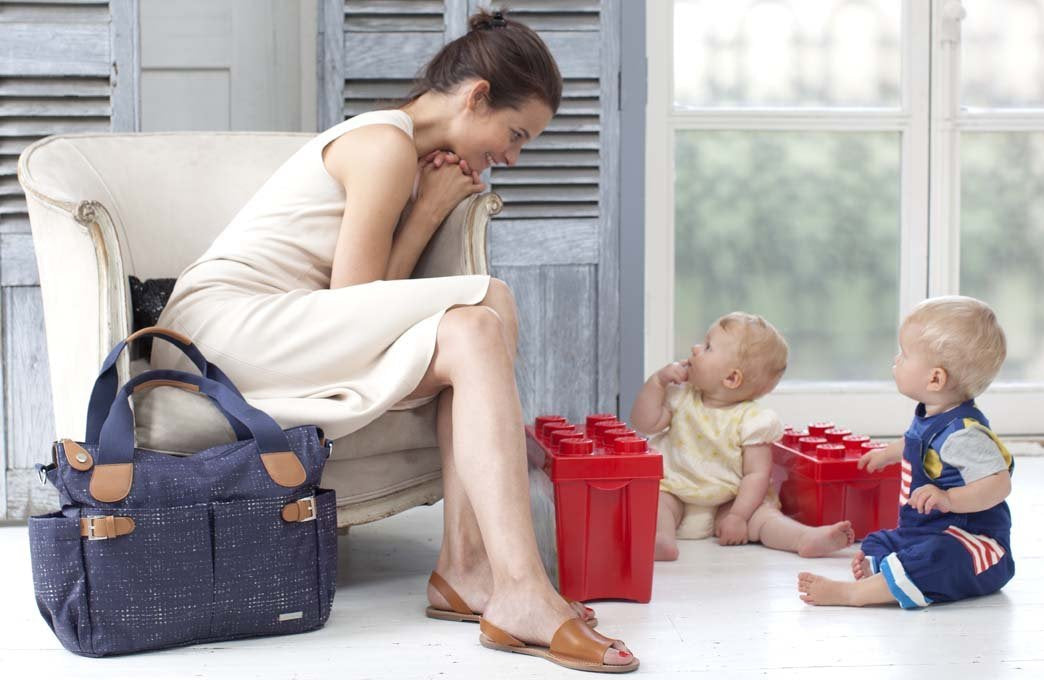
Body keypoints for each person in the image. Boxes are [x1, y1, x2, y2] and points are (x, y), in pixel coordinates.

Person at [152, 8, 637, 673]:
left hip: (291, 326)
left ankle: (468, 571)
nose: (512, 157)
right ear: (475, 97)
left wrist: (426, 201)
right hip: (225, 328)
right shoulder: (383, 144)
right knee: (488, 299)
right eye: (514, 133)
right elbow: (357, 301)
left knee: (470, 334)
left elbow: (361, 308)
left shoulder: (401, 153)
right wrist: (431, 209)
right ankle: (519, 587)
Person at [798, 296, 1014, 609]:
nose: (897, 360)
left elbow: (999, 483)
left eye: (905, 354)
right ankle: (889, 575)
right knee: (879, 541)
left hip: (973, 542)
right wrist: (888, 453)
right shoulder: (931, 412)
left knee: (938, 557)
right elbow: (917, 442)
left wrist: (950, 499)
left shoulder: (964, 435)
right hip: (926, 529)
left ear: (935, 378)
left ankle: (854, 595)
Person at [630, 312, 855, 561]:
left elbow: (755, 475)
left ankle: (803, 538)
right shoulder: (681, 396)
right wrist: (657, 382)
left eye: (707, 347)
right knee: (658, 504)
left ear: (731, 378)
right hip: (676, 488)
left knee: (763, 517)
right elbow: (645, 423)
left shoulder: (752, 421)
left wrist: (738, 516)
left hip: (730, 498)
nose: (695, 349)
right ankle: (662, 539)